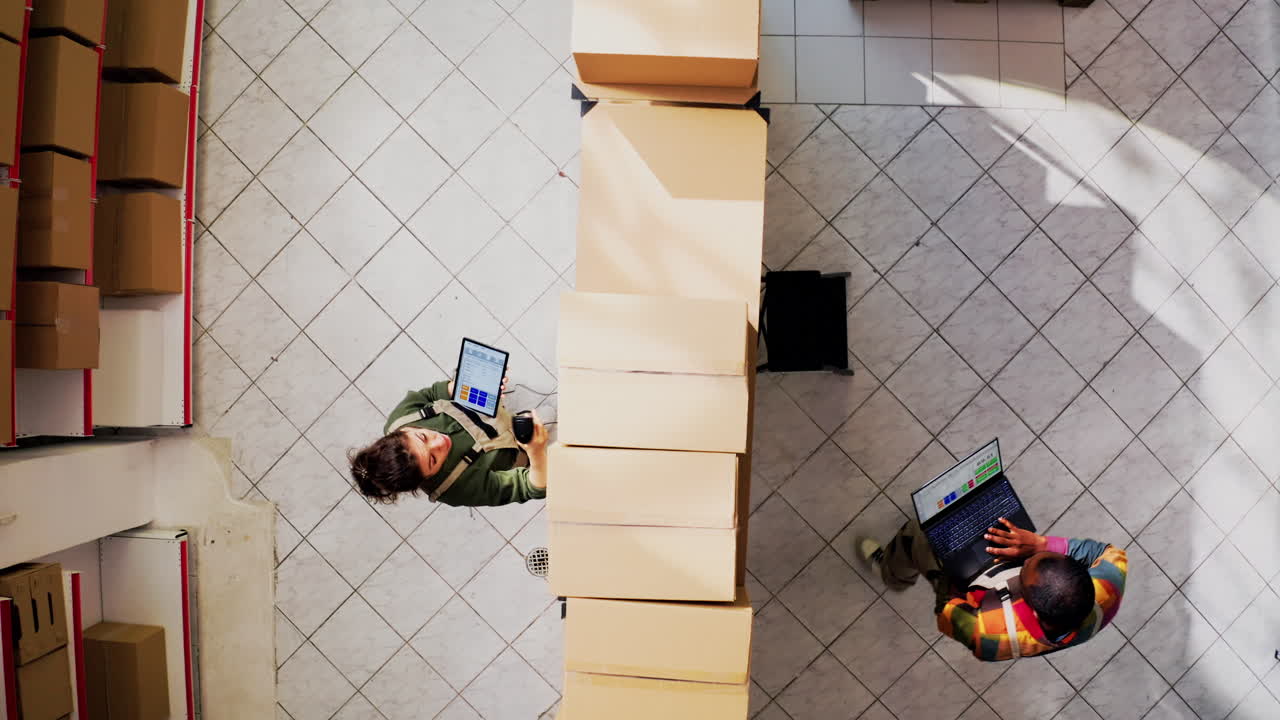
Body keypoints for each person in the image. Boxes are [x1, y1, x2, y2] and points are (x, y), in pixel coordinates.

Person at [857, 517, 1127, 661]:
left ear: (1031, 610)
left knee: (918, 533)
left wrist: (951, 563)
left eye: (1023, 568)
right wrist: (1041, 544)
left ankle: (893, 575)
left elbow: (946, 609)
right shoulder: (1108, 586)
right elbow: (1104, 551)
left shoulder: (988, 633)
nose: (1023, 559)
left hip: (964, 586)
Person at [349, 376, 549, 507]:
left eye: (423, 436)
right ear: (427, 477)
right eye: (433, 459)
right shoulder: (454, 489)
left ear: (404, 431)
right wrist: (536, 451)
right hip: (525, 451)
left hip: (489, 411)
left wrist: (470, 384)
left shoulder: (402, 419)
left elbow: (432, 394)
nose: (440, 443)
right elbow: (531, 488)